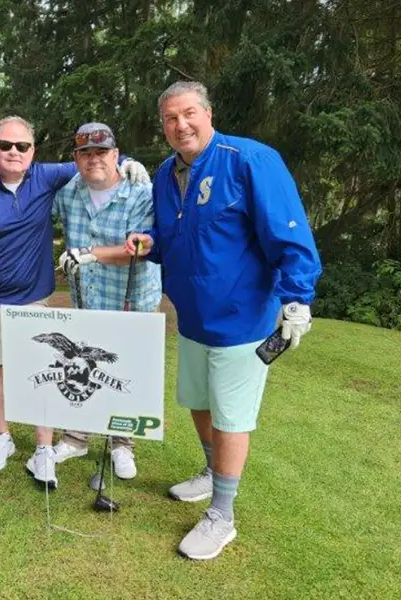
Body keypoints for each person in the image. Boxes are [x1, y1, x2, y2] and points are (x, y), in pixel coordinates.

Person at [126, 81, 322, 560]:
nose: (180, 125)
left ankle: (222, 515)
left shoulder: (249, 159)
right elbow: (174, 234)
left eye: (189, 113)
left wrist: (297, 297)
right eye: (171, 119)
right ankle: (212, 473)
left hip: (242, 320)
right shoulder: (165, 173)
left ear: (208, 113)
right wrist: (150, 241)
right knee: (198, 402)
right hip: (192, 318)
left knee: (231, 417)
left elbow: (288, 230)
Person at [0, 115, 149, 489]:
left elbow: (95, 159)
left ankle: (45, 448)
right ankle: (3, 437)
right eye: (5, 145)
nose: (13, 152)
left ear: (33, 151)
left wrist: (128, 161)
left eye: (21, 146)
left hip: (35, 299)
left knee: (46, 376)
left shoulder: (46, 176)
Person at [51, 122, 162, 480]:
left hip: (132, 298)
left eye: (103, 152)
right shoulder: (68, 192)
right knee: (82, 364)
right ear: (76, 158)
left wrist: (90, 253)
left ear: (116, 155)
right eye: (86, 153)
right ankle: (76, 436)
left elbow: (142, 249)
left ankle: (122, 444)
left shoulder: (141, 191)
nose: (94, 159)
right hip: (89, 298)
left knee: (124, 371)